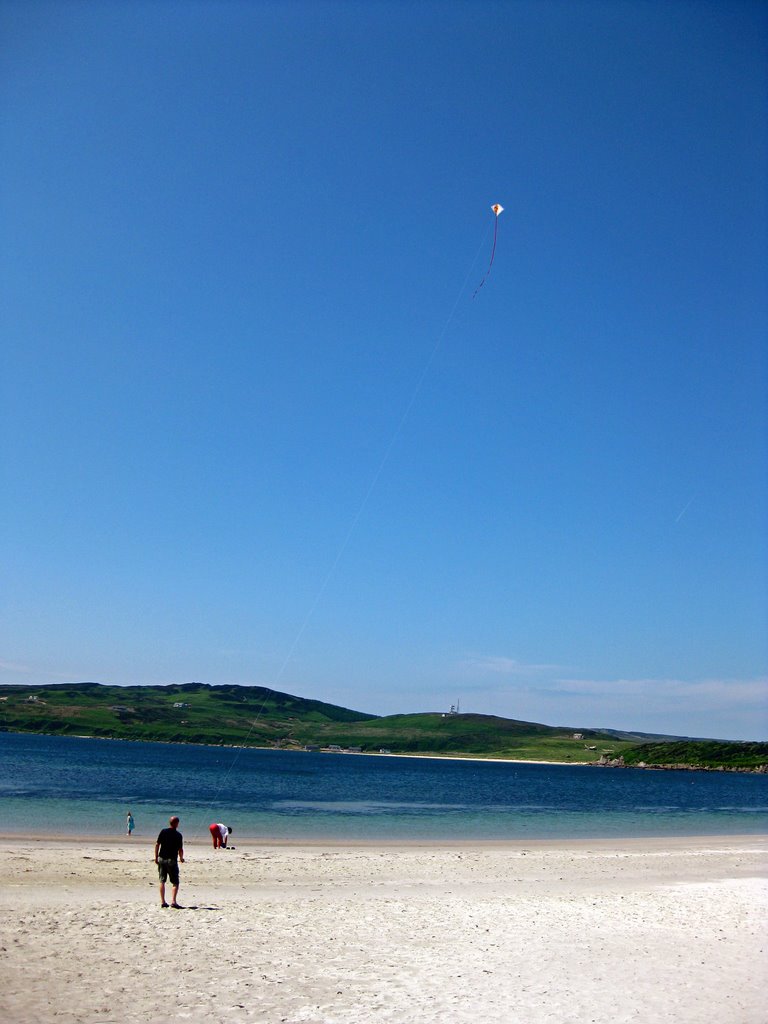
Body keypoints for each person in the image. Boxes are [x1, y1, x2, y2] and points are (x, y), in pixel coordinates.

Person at [154, 815, 184, 908]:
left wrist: (156, 857)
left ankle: (163, 902)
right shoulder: (178, 835)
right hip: (171, 860)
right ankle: (173, 901)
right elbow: (180, 850)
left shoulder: (163, 831)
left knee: (162, 880)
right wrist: (181, 858)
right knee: (175, 882)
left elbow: (157, 845)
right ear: (176, 824)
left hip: (162, 858)